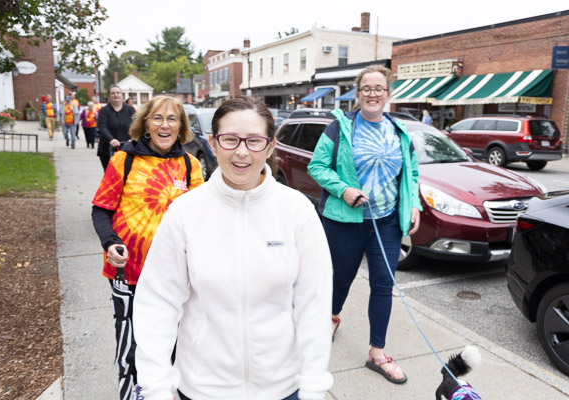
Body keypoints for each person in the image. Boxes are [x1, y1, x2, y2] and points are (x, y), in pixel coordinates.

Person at [133, 96, 334, 400]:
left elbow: (313, 304)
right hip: (203, 389)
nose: (242, 152)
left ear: (270, 146)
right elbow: (158, 302)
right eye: (230, 140)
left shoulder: (296, 211)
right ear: (213, 144)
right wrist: (156, 386)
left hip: (282, 387)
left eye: (254, 141)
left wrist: (314, 385)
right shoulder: (185, 212)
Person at [307, 65, 422, 385]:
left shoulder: (400, 132)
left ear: (388, 94)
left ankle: (377, 353)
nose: (373, 94)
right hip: (346, 221)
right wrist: (343, 189)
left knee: (383, 285)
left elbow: (411, 173)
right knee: (341, 278)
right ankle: (332, 316)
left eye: (379, 88)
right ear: (358, 94)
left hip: (386, 222)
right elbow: (317, 166)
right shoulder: (339, 128)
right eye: (367, 88)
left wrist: (414, 203)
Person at [91, 95, 204, 399]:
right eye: (158, 118)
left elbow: (201, 218)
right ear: (146, 124)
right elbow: (101, 209)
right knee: (132, 349)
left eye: (172, 119)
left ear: (180, 127)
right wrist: (110, 242)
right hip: (130, 273)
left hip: (176, 276)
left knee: (177, 347)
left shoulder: (190, 165)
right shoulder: (124, 160)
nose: (165, 125)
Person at [97, 85, 136, 170]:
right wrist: (111, 139)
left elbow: (137, 125)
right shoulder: (104, 111)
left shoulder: (130, 109)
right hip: (108, 149)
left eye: (118, 93)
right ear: (109, 96)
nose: (116, 95)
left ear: (122, 95)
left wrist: (134, 138)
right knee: (111, 174)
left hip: (127, 148)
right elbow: (102, 127)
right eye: (113, 93)